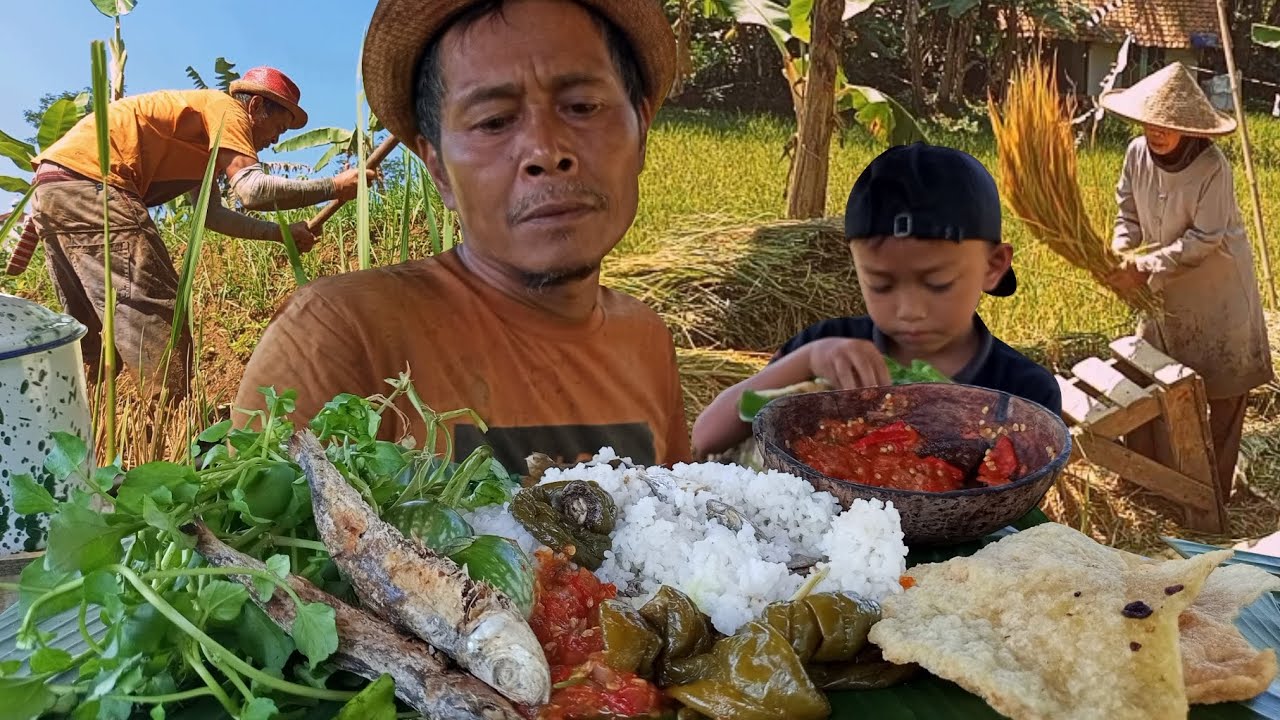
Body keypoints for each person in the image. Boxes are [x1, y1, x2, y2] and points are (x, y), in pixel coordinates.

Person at [233, 0, 691, 470]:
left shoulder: (646, 341)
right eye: (494, 121)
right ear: (439, 170)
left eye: (582, 107)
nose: (546, 151)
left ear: (641, 131)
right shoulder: (340, 339)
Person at [692, 142, 1062, 458]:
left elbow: (1017, 506)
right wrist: (808, 359)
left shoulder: (1023, 390)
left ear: (993, 266)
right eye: (881, 284)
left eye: (937, 283)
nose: (909, 311)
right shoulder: (821, 352)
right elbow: (706, 436)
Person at [27, 66, 376, 399]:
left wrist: (279, 234)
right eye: (278, 128)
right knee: (155, 313)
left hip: (51, 189)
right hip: (94, 185)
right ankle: (171, 422)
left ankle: (89, 417)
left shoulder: (200, 137)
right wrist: (333, 185)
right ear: (256, 107)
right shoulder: (227, 109)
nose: (273, 141)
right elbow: (251, 191)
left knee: (89, 332)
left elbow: (213, 216)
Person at [1101, 62, 1273, 499]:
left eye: (1168, 125)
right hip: (1162, 291)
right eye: (1150, 122)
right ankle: (1144, 479)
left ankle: (1208, 492)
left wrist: (1144, 266)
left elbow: (1205, 238)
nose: (1156, 132)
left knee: (1220, 388)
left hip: (1217, 293)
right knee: (1146, 378)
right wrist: (1123, 250)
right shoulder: (1136, 153)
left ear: (1189, 129)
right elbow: (1128, 214)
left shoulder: (1214, 167)